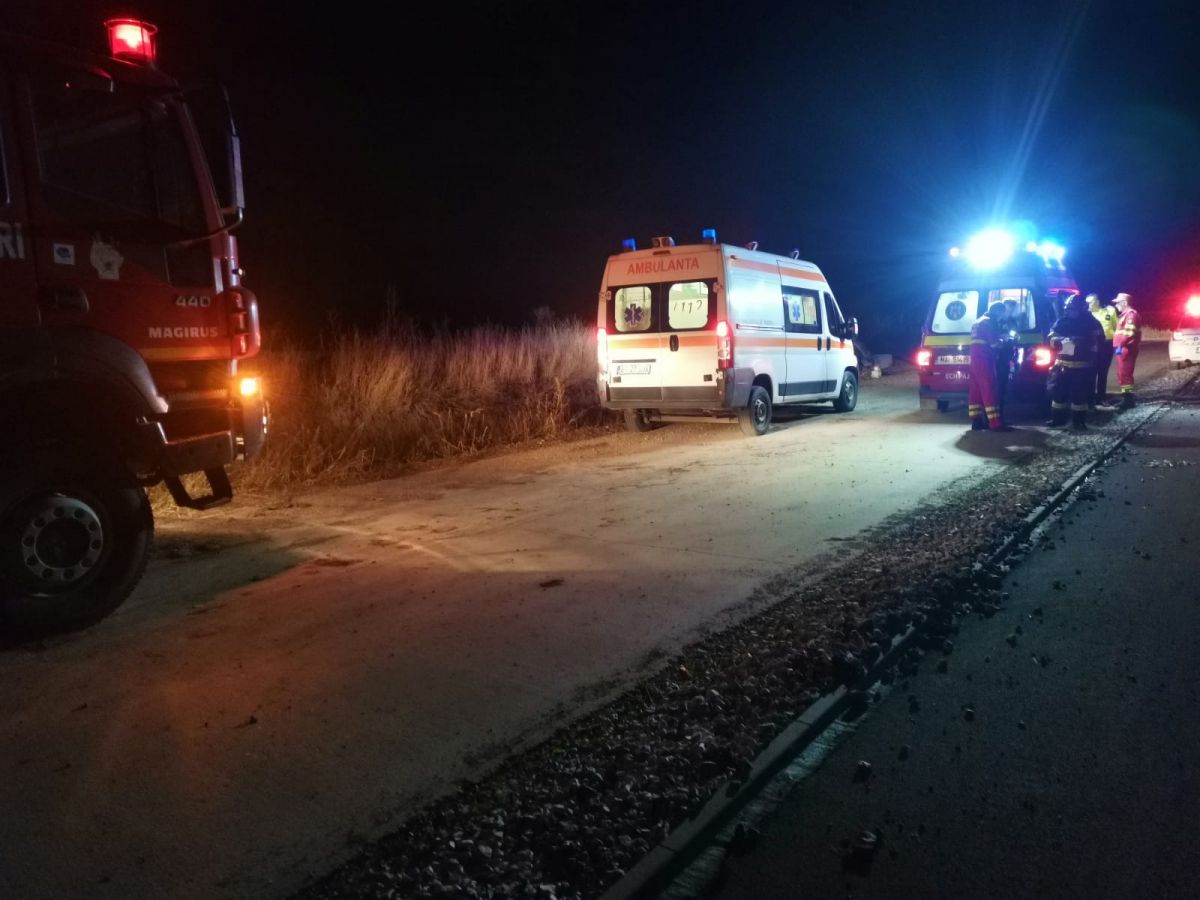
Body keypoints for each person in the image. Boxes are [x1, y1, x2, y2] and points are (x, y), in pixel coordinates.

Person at [1046, 294, 1105, 430]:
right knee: (1058, 393)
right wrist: (1059, 340)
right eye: (1068, 309)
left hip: (1082, 366)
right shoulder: (1061, 322)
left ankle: (1079, 422)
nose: (1070, 311)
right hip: (1062, 365)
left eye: (1073, 309)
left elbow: (1100, 341)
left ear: (1081, 309)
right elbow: (1050, 338)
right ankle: (1057, 419)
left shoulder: (1091, 322)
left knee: (1079, 396)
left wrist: (1083, 343)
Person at [967, 302, 1012, 431]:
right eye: (1002, 313)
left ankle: (976, 421)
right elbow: (994, 344)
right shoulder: (989, 322)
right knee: (989, 389)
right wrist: (1005, 341)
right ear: (997, 311)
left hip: (975, 360)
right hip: (985, 360)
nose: (1002, 317)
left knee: (975, 390)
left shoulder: (978, 321)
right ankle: (995, 423)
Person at [1086, 293, 1118, 406]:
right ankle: (1090, 399)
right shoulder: (1086, 314)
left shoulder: (1110, 310)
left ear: (1097, 302)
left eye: (1090, 302)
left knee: (1103, 372)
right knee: (1091, 373)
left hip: (1106, 345)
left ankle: (1101, 398)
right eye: (1087, 302)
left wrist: (1117, 344)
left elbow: (1116, 327)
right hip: (1092, 346)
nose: (1088, 305)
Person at [1112, 292, 1142, 408]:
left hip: (1126, 349)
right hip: (1123, 348)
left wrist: (1120, 344)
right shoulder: (1125, 315)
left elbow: (1129, 333)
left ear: (1124, 303)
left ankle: (1128, 400)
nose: (1116, 305)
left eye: (1118, 303)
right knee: (1122, 374)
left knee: (1125, 375)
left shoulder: (1130, 315)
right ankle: (1126, 398)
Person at [994, 298, 1020, 422]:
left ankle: (999, 414)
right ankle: (996, 416)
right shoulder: (996, 321)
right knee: (997, 387)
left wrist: (1013, 338)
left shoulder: (1012, 321)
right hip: (998, 357)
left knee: (1003, 386)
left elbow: (1016, 335)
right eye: (1008, 308)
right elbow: (994, 338)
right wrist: (1004, 338)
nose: (1010, 311)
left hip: (1007, 356)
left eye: (1012, 309)